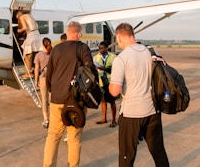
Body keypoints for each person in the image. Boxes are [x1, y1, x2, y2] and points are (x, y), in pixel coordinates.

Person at [109, 23, 169, 167]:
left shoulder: (121, 58)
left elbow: (115, 91)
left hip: (131, 113)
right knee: (158, 152)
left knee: (126, 157)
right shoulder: (151, 52)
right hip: (152, 111)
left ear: (119, 37)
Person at [43, 21, 97, 167]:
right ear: (78, 34)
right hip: (75, 100)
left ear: (67, 33)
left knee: (53, 135)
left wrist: (52, 91)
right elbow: (90, 73)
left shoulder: (56, 49)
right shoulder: (82, 48)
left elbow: (49, 74)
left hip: (56, 99)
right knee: (74, 138)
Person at [93, 41, 117, 127]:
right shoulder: (95, 58)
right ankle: (104, 118)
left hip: (110, 82)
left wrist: (103, 68)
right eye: (99, 48)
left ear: (107, 48)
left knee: (112, 101)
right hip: (101, 82)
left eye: (102, 48)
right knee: (103, 101)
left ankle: (114, 120)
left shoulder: (113, 57)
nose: (100, 50)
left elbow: (116, 69)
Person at [16, 10, 41, 78]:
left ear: (18, 15)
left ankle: (29, 73)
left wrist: (19, 30)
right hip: (37, 35)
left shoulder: (21, 17)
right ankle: (38, 70)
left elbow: (25, 28)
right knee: (36, 55)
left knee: (28, 56)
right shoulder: (30, 16)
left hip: (31, 36)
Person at [34, 37, 52, 128]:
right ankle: (54, 118)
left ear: (42, 44)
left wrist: (36, 80)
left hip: (44, 78)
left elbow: (36, 70)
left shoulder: (39, 55)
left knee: (44, 100)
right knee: (52, 99)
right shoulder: (53, 54)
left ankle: (46, 119)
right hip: (53, 77)